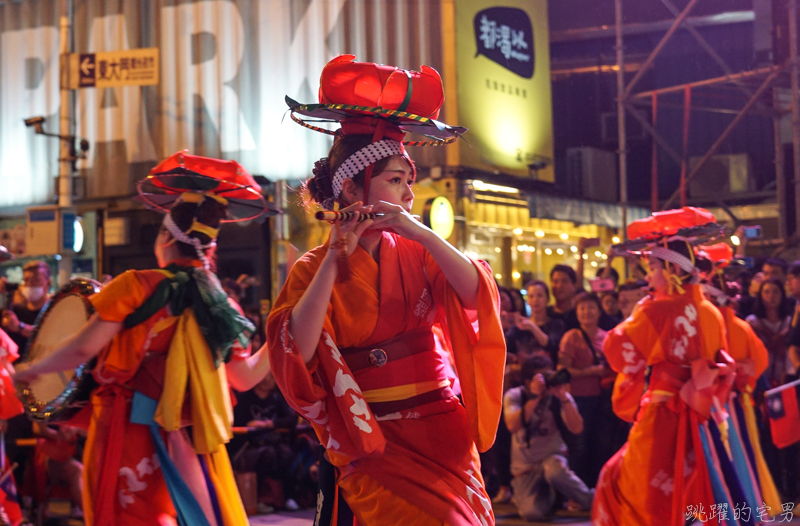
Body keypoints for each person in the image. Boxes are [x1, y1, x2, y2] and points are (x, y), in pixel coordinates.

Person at [267, 56, 505, 526]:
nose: (408, 195)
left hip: (443, 431)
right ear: (353, 189)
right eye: (395, 181)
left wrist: (423, 233)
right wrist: (333, 261)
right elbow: (296, 348)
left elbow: (478, 296)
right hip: (369, 436)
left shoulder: (419, 251)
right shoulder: (313, 268)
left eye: (408, 181)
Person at [13, 153, 274, 526]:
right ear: (210, 247)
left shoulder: (136, 285)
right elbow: (244, 378)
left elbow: (83, 348)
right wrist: (280, 337)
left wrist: (32, 369)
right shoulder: (222, 305)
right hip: (190, 434)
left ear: (165, 236)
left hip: (127, 429)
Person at [592, 213, 741, 526]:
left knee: (626, 486)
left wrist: (637, 313)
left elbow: (617, 348)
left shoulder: (656, 309)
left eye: (653, 268)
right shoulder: (711, 312)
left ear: (672, 269)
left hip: (664, 414)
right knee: (690, 493)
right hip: (705, 417)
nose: (649, 278)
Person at [503, 355, 593, 521]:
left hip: (553, 459)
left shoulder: (558, 396)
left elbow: (577, 428)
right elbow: (512, 426)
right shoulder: (515, 395)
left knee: (554, 471)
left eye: (549, 375)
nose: (547, 381)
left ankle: (591, 500)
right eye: (542, 377)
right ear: (528, 381)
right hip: (525, 468)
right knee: (532, 513)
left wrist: (564, 398)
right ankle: (553, 497)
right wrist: (534, 397)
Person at [557, 293, 615, 487]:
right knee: (579, 446)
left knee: (601, 445)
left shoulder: (607, 336)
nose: (586, 312)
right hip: (578, 399)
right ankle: (579, 491)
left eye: (591, 307)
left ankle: (597, 489)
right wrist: (592, 372)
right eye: (582, 308)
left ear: (599, 311)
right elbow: (563, 370)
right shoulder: (572, 337)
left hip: (602, 400)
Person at [228, 372, 299, 513]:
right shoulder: (243, 399)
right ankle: (258, 499)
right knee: (267, 455)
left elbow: (291, 419)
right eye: (263, 375)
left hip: (273, 443)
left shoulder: (276, 399)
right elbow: (235, 422)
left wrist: (269, 424)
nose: (267, 379)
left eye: (271, 376)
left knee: (287, 453)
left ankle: (287, 497)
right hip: (246, 446)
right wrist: (249, 425)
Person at [1, 260, 51, 356]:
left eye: (36, 280)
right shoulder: (15, 311)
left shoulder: (54, 311)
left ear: (48, 282)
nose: (30, 284)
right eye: (26, 280)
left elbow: (50, 337)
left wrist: (20, 327)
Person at [513, 280, 566, 365]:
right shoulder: (521, 325)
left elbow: (552, 346)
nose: (535, 300)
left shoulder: (556, 324)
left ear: (547, 299)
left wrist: (533, 327)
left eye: (540, 295)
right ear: (527, 300)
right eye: (531, 296)